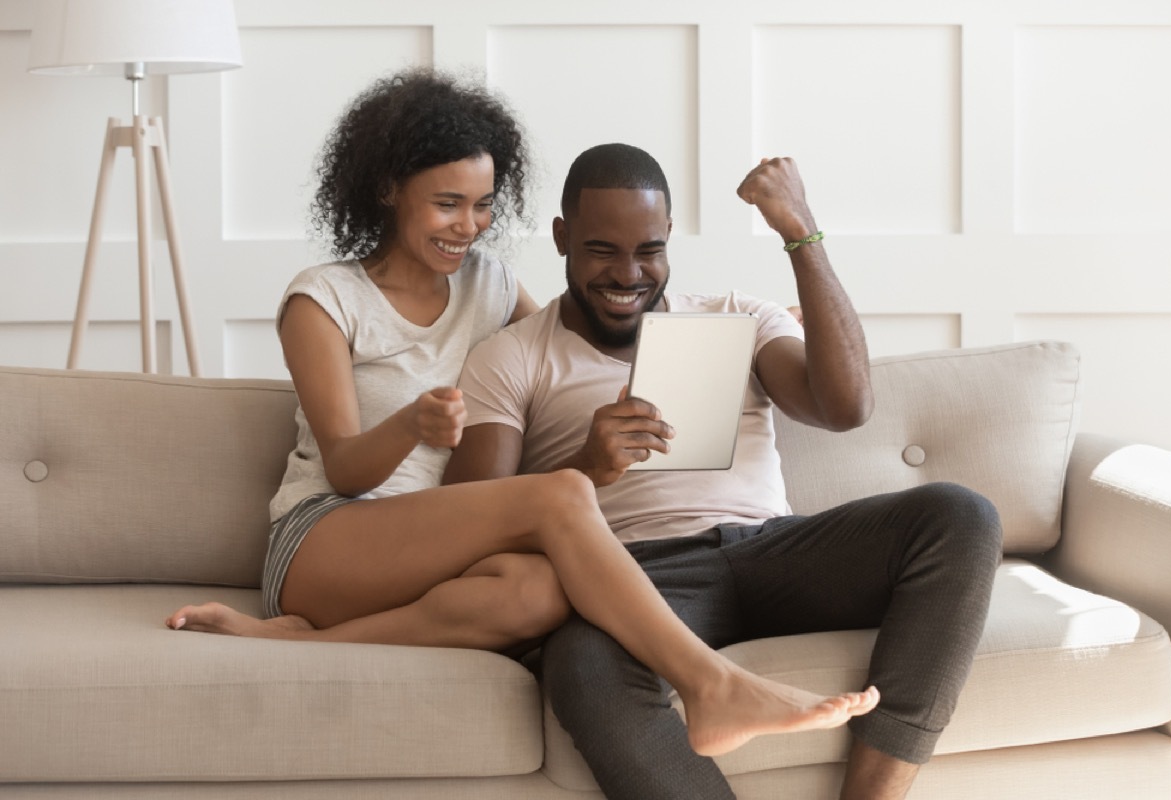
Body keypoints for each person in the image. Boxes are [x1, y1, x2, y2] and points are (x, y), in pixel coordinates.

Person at [164, 70, 879, 759]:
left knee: (541, 594)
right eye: (447, 203)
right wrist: (414, 425)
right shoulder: (323, 300)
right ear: (386, 189)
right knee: (562, 492)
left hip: (446, 543)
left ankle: (304, 645)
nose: (468, 227)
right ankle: (711, 684)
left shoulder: (491, 283)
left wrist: (752, 329)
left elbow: (570, 352)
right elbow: (347, 466)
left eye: (482, 205)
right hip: (331, 538)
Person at [442, 143, 1004, 799]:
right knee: (579, 660)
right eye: (602, 250)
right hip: (641, 575)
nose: (628, 274)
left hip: (776, 550)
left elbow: (846, 407)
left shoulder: (739, 316)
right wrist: (584, 471)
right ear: (563, 237)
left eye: (648, 249)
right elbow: (466, 527)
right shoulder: (511, 357)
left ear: (670, 237)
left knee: (961, 516)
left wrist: (800, 231)